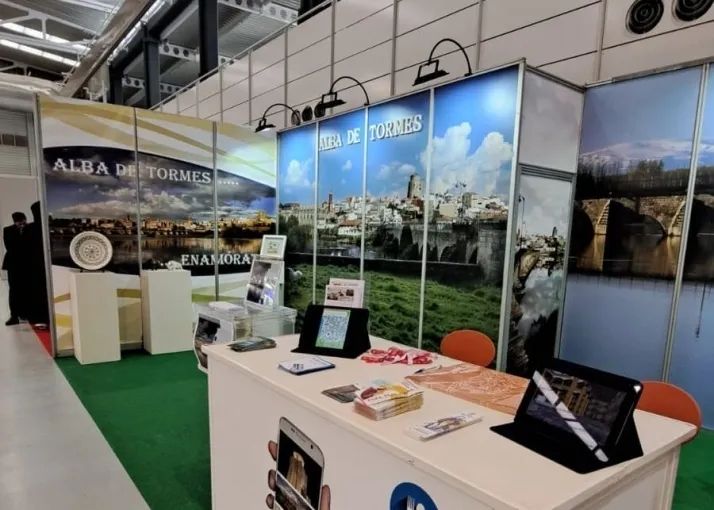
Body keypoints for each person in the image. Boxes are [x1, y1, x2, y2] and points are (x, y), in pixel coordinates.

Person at [24, 201, 49, 328]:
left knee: (38, 291)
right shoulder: (46, 226)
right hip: (42, 264)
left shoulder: (29, 228)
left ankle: (40, 317)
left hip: (34, 265)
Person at [2, 212, 28, 325]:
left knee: (27, 289)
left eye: (23, 221)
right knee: (14, 290)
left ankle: (25, 313)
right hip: (13, 264)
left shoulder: (29, 229)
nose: (21, 224)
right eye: (19, 222)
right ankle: (14, 316)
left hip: (27, 264)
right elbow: (10, 246)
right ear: (14, 222)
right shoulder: (7, 230)